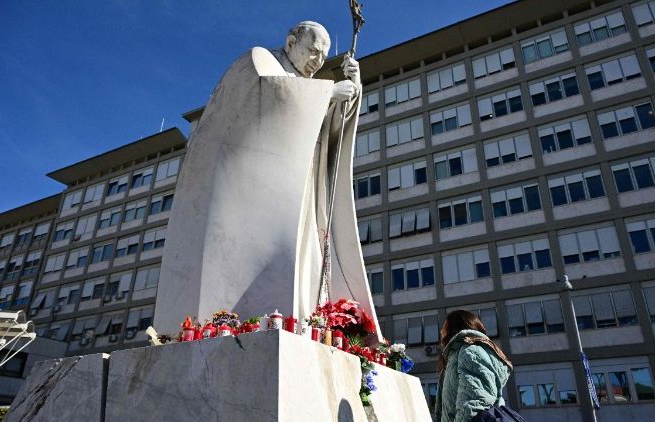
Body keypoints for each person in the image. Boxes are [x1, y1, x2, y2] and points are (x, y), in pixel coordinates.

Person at [153, 21, 382, 339]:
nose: (317, 61)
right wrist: (328, 92)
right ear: (291, 42)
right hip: (257, 196)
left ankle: (307, 322)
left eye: (323, 55)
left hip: (302, 191)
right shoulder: (258, 61)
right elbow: (268, 95)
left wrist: (350, 97)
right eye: (313, 51)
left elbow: (325, 138)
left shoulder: (308, 84)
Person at [435, 310, 514, 421]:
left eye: (444, 326)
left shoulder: (470, 351)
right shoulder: (457, 355)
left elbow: (475, 402)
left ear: (454, 328)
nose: (441, 331)